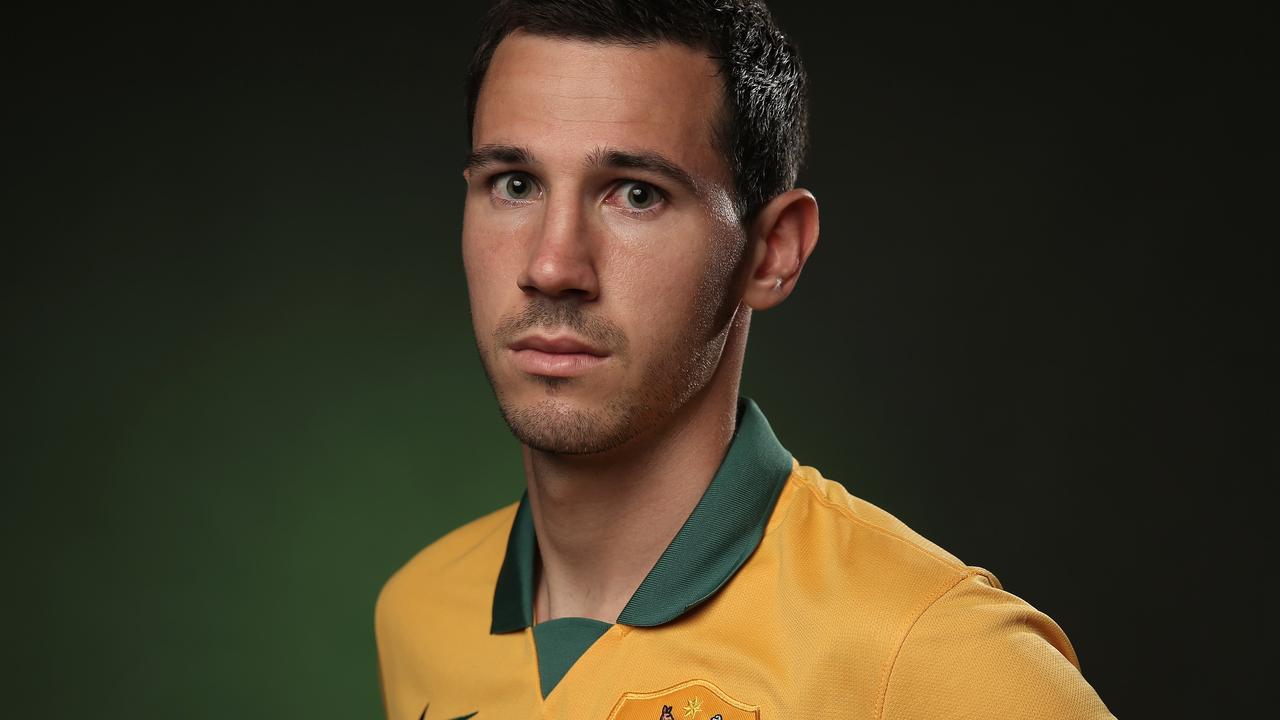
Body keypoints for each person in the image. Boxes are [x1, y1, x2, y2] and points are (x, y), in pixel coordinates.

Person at [375, 1, 1116, 718]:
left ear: (773, 251)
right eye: (515, 184)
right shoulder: (418, 614)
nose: (553, 264)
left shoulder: (929, 653)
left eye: (636, 193)